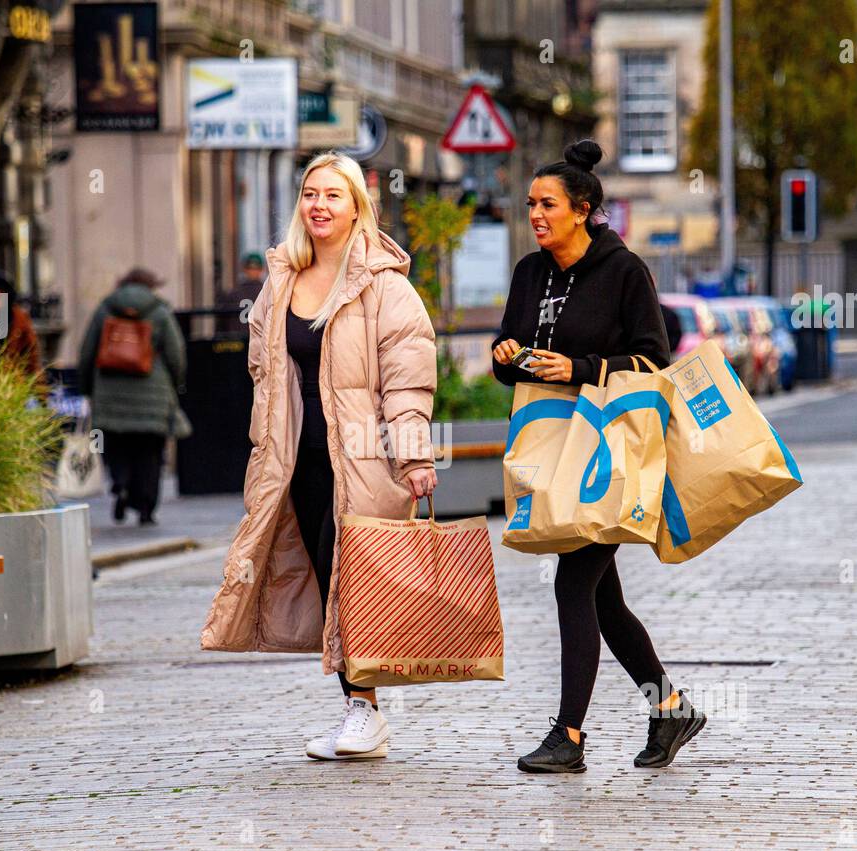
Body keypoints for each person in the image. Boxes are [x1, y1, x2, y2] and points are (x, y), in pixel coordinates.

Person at [200, 150, 438, 762]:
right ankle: (360, 713)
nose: (319, 205)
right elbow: (264, 372)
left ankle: (366, 712)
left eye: (334, 194)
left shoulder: (386, 288)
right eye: (310, 193)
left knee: (355, 583)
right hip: (296, 461)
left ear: (358, 207)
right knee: (328, 579)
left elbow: (406, 381)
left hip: (360, 461)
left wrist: (413, 459)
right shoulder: (281, 282)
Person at [490, 138, 707, 774]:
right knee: (603, 599)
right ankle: (668, 707)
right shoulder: (530, 273)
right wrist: (507, 354)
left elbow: (653, 361)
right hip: (552, 449)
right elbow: (514, 353)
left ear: (582, 210)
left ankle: (570, 736)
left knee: (573, 583)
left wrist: (582, 368)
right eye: (530, 203)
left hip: (608, 452)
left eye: (547, 203)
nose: (534, 213)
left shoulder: (624, 272)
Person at [77, 268, 188, 526]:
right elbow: (176, 353)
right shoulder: (159, 311)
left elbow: (87, 352)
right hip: (153, 393)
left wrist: (87, 389)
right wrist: (176, 383)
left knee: (116, 445)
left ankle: (120, 484)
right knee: (150, 452)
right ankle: (146, 507)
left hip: (109, 391)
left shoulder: (105, 309)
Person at [217, 253, 266, 333]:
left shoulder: (233, 293)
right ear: (262, 270)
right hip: (260, 340)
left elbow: (222, 324)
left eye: (255, 269)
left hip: (237, 342)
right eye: (251, 269)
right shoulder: (268, 293)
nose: (253, 272)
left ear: (244, 269)